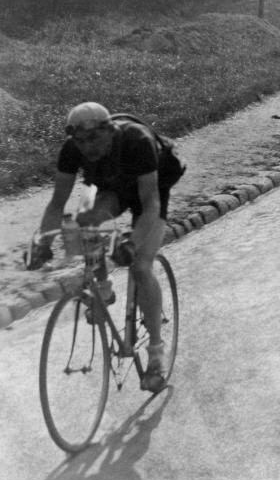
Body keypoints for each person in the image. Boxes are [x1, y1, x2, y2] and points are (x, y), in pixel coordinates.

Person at [32, 103, 186, 392]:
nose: (87, 147)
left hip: (151, 189)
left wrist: (132, 242)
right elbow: (57, 203)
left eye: (93, 139)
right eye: (80, 141)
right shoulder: (71, 150)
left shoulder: (136, 140)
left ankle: (156, 353)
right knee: (85, 220)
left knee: (140, 266)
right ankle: (103, 288)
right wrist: (44, 242)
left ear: (109, 131)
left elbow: (150, 203)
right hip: (110, 187)